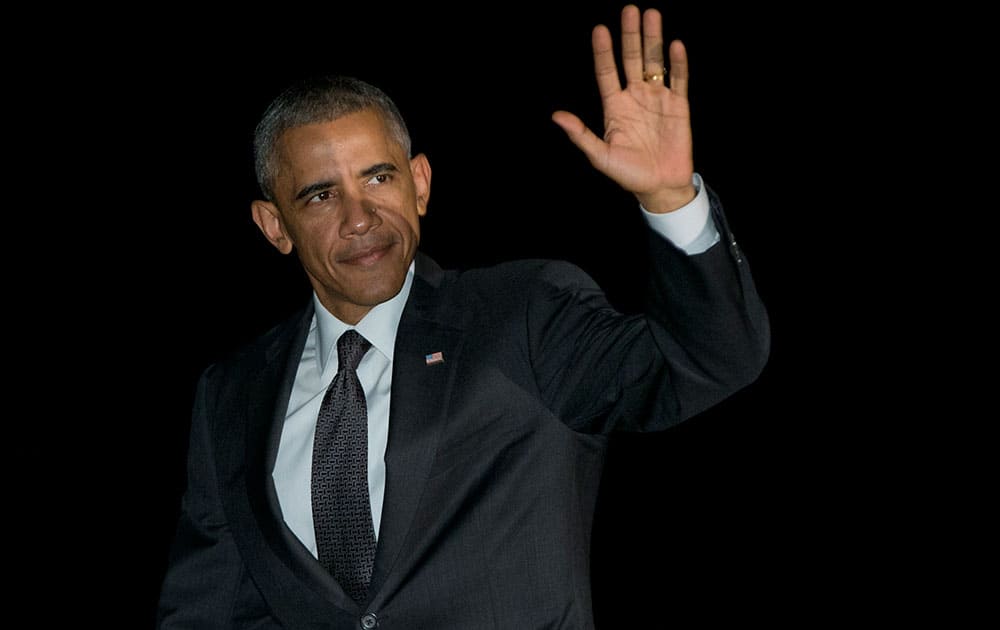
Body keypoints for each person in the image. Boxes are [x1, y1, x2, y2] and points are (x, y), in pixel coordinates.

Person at [156, 4, 770, 628]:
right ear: (274, 226)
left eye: (378, 177)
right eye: (320, 195)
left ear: (419, 184)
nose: (360, 216)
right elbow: (207, 607)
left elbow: (710, 362)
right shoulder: (229, 394)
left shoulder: (523, 314)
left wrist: (672, 204)